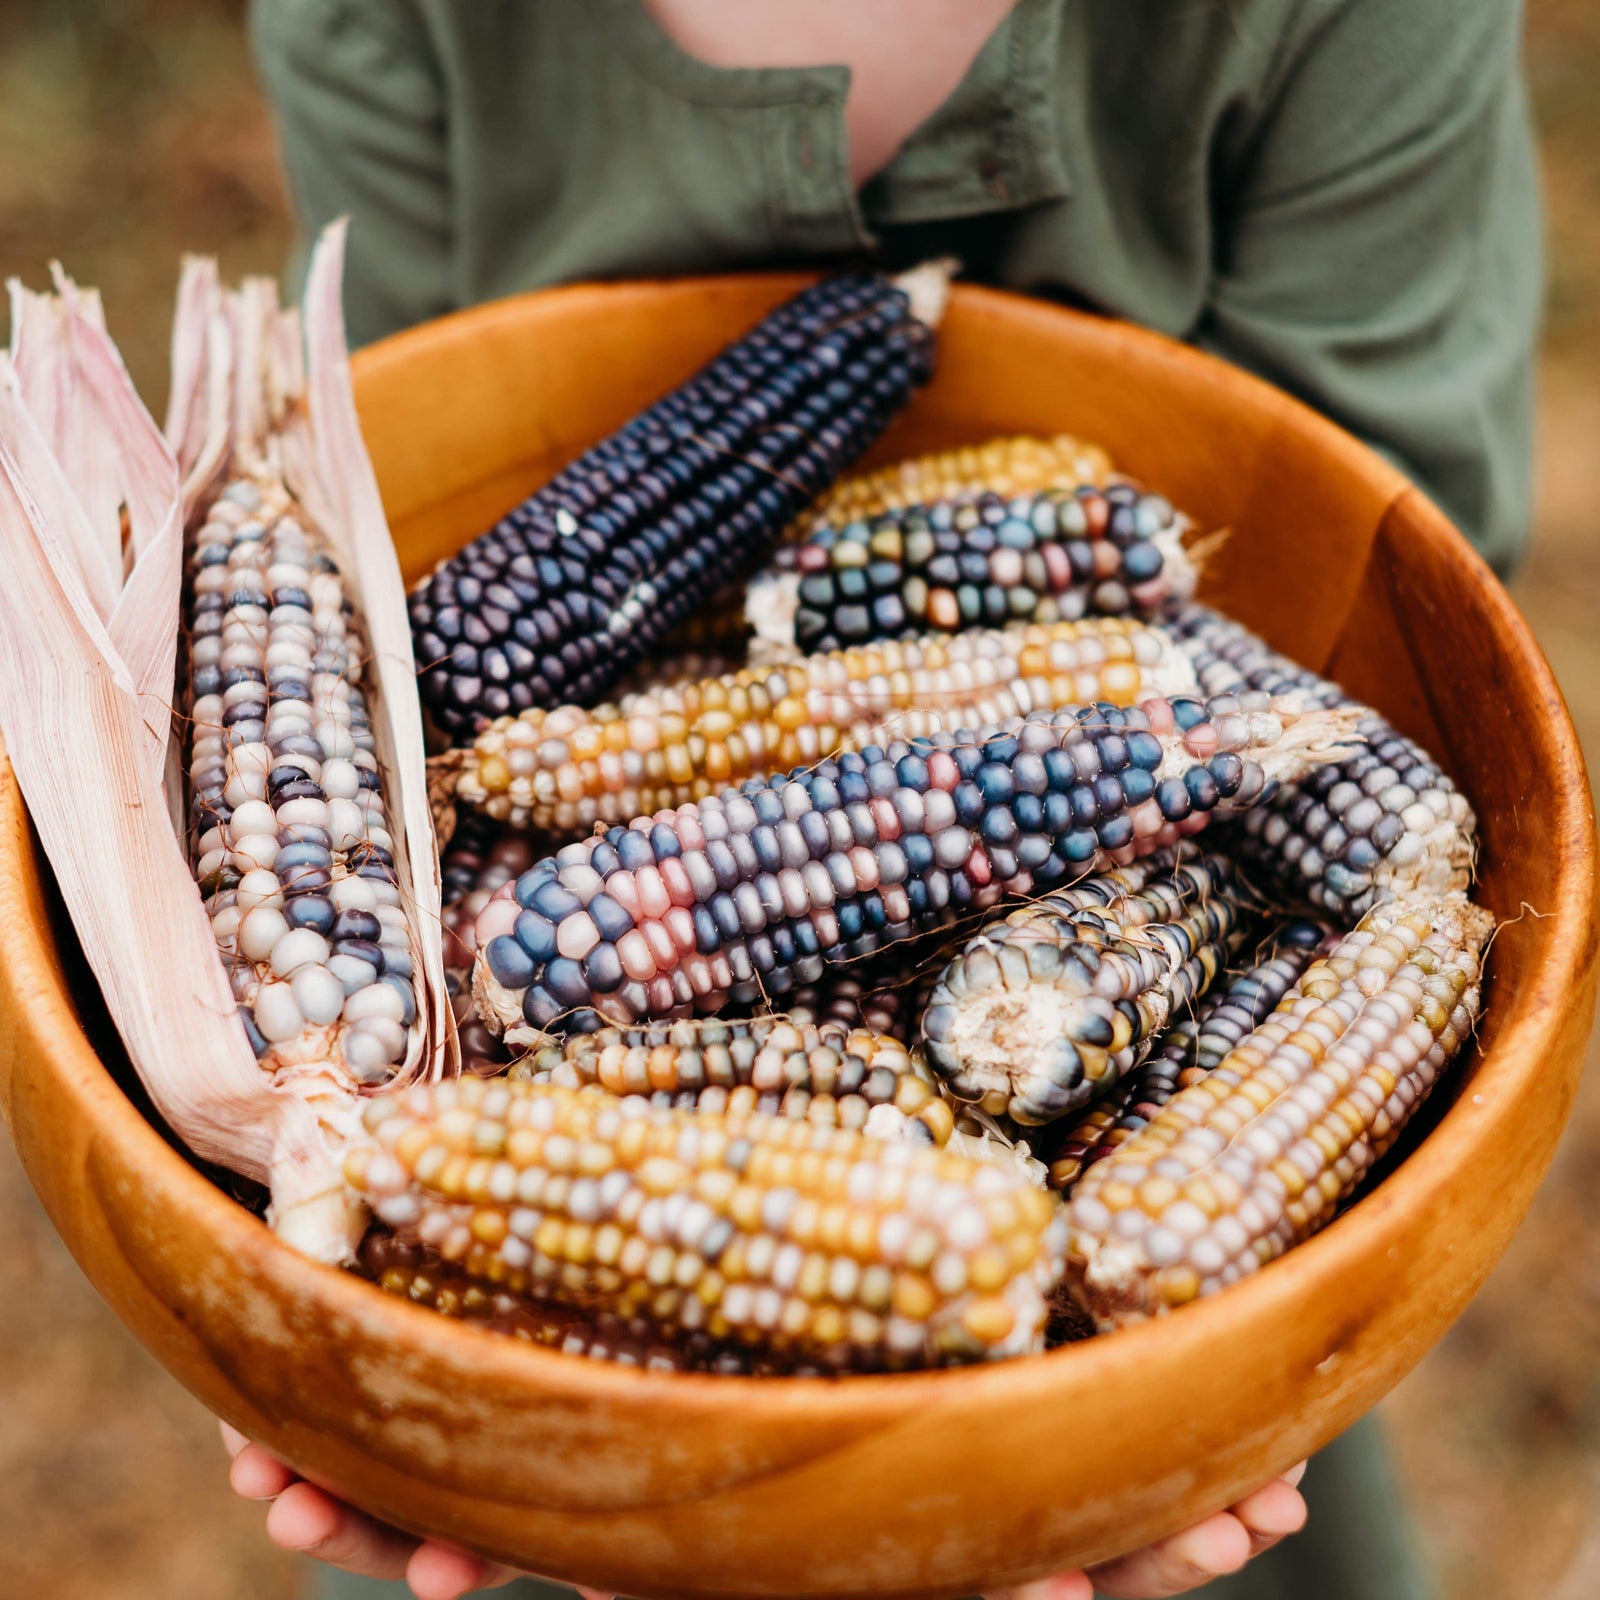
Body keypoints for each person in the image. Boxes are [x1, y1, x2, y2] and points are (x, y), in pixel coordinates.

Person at [232, 2, 1541, 1597]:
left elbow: (1381, 580)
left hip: (1139, 1392)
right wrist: (431, 1410)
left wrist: (1107, 1431)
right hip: (544, 1431)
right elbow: (402, 476)